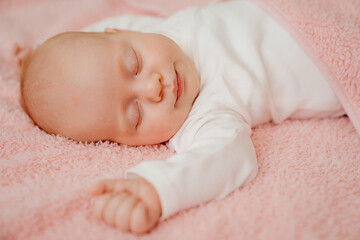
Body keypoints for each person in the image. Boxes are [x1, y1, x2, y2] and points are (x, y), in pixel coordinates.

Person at [13, 0, 345, 235]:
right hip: (334, 45)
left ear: (121, 30)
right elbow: (227, 157)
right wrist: (159, 188)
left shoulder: (153, 32)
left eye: (134, 65)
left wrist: (39, 56)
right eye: (136, 113)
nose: (152, 88)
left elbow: (87, 48)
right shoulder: (201, 115)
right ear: (128, 143)